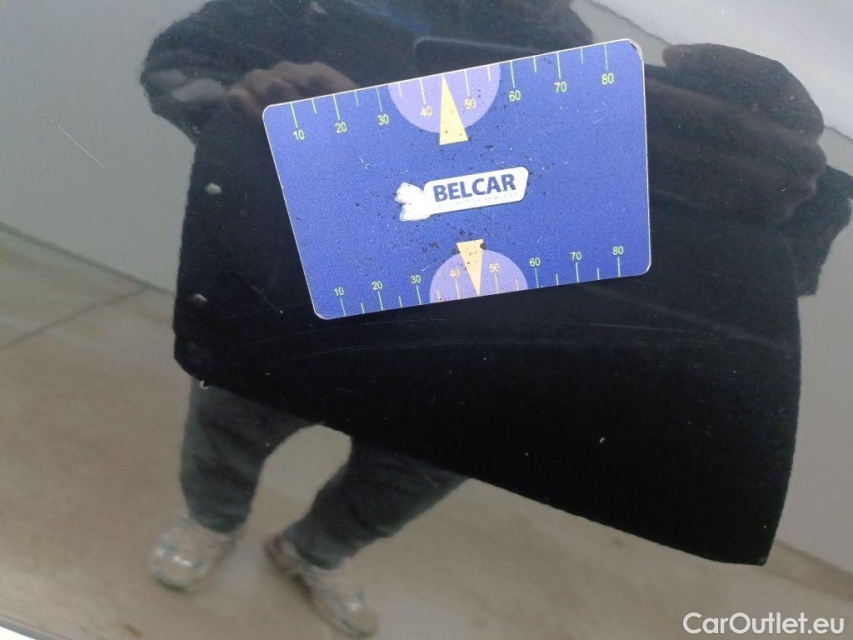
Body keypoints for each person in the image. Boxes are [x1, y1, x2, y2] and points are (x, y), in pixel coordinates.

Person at [141, 0, 850, 637]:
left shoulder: (555, 36)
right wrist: (252, 116)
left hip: (470, 333)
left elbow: (585, 198)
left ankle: (313, 553)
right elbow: (182, 63)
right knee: (230, 427)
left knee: (405, 478)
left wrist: (751, 204)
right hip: (291, 289)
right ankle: (212, 521)